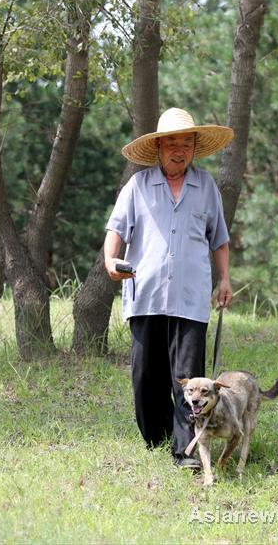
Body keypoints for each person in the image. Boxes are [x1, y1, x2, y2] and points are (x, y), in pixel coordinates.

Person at [104, 107, 233, 469]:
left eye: (186, 143)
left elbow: (219, 238)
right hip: (145, 293)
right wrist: (110, 261)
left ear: (195, 147)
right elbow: (115, 230)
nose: (179, 150)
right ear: (159, 148)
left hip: (190, 296)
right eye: (172, 143)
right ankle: (156, 438)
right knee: (146, 373)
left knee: (190, 376)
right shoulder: (138, 186)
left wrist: (224, 278)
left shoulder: (206, 186)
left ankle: (185, 449)